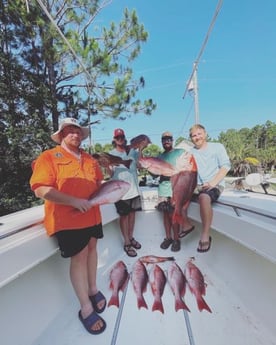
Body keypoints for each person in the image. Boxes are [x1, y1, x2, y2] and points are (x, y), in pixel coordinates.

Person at [30, 117, 106, 335]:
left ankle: (93, 289)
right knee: (79, 257)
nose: (75, 134)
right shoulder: (49, 157)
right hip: (68, 219)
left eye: (78, 131)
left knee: (92, 249)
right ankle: (85, 307)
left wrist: (107, 193)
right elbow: (40, 189)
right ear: (61, 135)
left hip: (93, 215)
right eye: (70, 130)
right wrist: (74, 201)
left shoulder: (90, 159)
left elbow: (99, 183)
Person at [189, 124, 231, 253]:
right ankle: (185, 227)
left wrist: (212, 183)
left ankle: (205, 234)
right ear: (191, 138)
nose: (197, 137)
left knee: (204, 197)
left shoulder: (217, 147)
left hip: (215, 183)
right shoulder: (190, 152)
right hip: (197, 186)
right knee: (174, 198)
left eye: (199, 134)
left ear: (205, 134)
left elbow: (225, 166)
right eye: (194, 135)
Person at [109, 128, 147, 257]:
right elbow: (110, 174)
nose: (121, 139)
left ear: (125, 138)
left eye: (122, 137)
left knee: (132, 215)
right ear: (114, 140)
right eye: (118, 137)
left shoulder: (132, 152)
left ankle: (131, 237)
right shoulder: (111, 154)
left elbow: (140, 165)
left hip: (134, 189)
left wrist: (141, 149)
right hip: (121, 192)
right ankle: (126, 242)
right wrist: (105, 165)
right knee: (124, 217)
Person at [156, 131, 195, 252]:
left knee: (174, 215)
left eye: (169, 139)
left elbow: (189, 167)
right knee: (165, 216)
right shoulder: (159, 157)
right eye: (164, 139)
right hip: (163, 190)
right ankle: (168, 238)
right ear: (161, 142)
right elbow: (153, 173)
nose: (166, 141)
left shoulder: (180, 152)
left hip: (176, 190)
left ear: (172, 140)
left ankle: (176, 239)